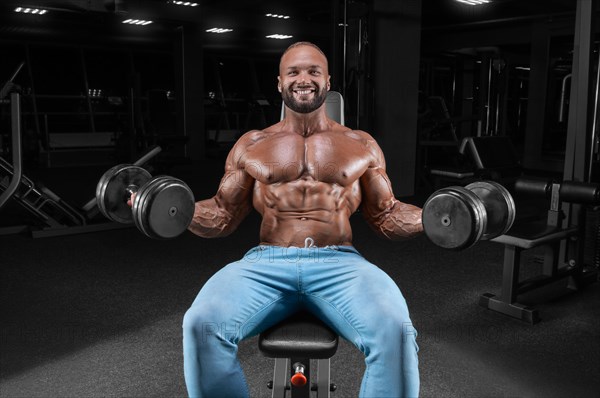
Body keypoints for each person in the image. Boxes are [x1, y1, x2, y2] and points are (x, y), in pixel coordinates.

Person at [183, 41, 423, 398]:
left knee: (395, 329)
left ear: (328, 81)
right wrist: (172, 210)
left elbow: (386, 215)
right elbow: (222, 214)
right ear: (279, 83)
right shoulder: (252, 143)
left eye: (313, 71)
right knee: (200, 324)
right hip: (267, 263)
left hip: (339, 263)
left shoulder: (361, 144)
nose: (303, 79)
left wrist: (437, 218)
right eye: (293, 72)